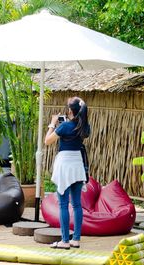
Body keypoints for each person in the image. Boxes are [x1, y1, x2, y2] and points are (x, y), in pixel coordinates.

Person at [45, 96, 90, 249]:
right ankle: (75, 239)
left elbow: (47, 141)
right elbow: (76, 130)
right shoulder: (84, 127)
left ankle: (64, 241)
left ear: (70, 110)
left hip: (65, 165)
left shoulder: (64, 127)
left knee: (63, 204)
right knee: (77, 204)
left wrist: (52, 124)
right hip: (77, 164)